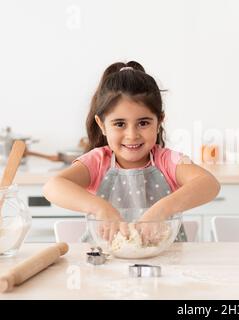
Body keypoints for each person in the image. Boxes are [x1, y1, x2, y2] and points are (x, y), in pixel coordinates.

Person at [43, 61, 221, 243]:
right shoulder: (97, 161)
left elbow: (209, 184)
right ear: (102, 125)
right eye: (120, 124)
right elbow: (52, 187)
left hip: (166, 263)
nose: (132, 135)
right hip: (105, 264)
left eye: (143, 123)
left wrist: (161, 210)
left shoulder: (169, 161)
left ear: (159, 122)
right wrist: (100, 208)